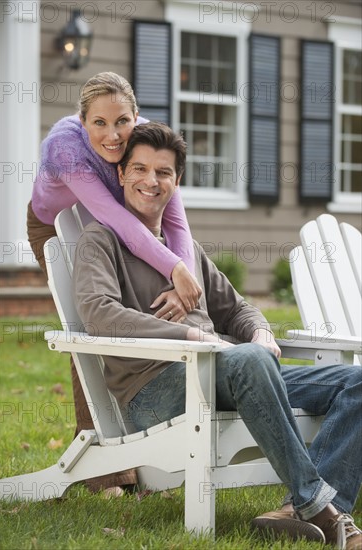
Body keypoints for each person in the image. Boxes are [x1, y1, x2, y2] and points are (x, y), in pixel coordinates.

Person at [73, 121, 362, 549]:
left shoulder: (183, 249)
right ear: (121, 174)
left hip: (228, 374)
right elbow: (99, 314)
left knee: (354, 381)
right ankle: (319, 507)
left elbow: (238, 308)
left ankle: (299, 509)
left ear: (177, 180)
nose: (151, 181)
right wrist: (191, 338)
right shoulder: (99, 241)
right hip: (159, 388)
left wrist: (261, 332)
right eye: (139, 169)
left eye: (164, 172)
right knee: (247, 359)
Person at [27, 72, 201, 493]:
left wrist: (185, 281)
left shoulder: (146, 142)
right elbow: (117, 219)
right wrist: (172, 268)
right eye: (99, 124)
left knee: (135, 312)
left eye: (122, 121)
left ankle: (141, 434)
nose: (113, 134)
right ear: (81, 122)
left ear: (135, 116)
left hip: (111, 224)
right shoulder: (65, 148)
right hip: (58, 228)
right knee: (89, 323)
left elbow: (176, 222)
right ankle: (105, 468)